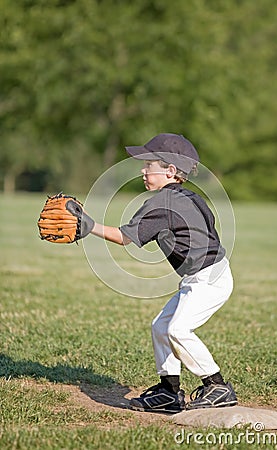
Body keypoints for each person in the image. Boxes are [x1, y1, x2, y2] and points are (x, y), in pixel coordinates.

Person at [90, 133, 237, 413]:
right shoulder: (190, 197)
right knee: (160, 326)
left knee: (177, 329)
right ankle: (169, 391)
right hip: (204, 277)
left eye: (149, 164)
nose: (143, 170)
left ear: (170, 171)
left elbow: (124, 237)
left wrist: (88, 225)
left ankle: (217, 386)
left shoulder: (163, 203)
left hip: (209, 280)